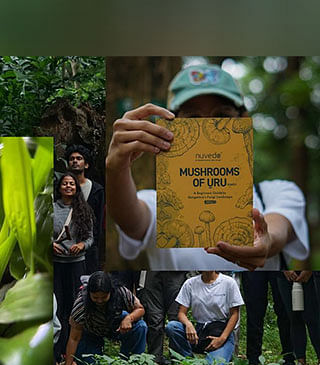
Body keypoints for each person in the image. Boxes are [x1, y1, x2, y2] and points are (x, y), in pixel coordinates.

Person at [107, 63, 309, 270]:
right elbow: (130, 219)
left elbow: (278, 228)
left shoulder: (278, 192)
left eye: (222, 116)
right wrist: (117, 167)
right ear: (171, 126)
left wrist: (267, 240)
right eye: (193, 118)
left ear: (244, 120)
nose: (209, 128)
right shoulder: (160, 204)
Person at [64, 271, 147, 365]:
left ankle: (132, 364)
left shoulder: (121, 292)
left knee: (140, 326)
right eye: (95, 297)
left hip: (116, 324)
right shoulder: (81, 304)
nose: (99, 301)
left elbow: (140, 309)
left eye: (103, 297)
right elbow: (74, 338)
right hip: (91, 332)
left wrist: (129, 318)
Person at [53, 173, 93, 360]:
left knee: (74, 306)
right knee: (57, 305)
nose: (68, 186)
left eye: (72, 184)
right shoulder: (51, 209)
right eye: (65, 184)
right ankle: (57, 350)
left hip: (76, 264)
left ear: (76, 188)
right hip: (57, 264)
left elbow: (91, 238)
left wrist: (82, 245)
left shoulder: (83, 210)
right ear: (59, 187)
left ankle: (72, 352)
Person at [165, 271, 243, 365]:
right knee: (172, 326)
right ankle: (188, 360)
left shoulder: (228, 282)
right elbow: (181, 313)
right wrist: (188, 324)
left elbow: (235, 314)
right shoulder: (190, 283)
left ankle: (220, 353)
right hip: (199, 331)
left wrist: (221, 339)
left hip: (221, 331)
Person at [241, 272, 294, 365]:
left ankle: (289, 358)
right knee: (254, 311)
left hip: (279, 263)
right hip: (254, 264)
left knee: (284, 312)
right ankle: (253, 359)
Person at [64, 144, 104, 274]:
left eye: (79, 158)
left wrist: (94, 245)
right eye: (72, 159)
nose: (75, 161)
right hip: (65, 246)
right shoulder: (61, 189)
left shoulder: (97, 190)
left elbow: (99, 219)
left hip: (89, 247)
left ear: (86, 165)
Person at [276, 271, 320, 365]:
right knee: (294, 317)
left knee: (314, 318)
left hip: (312, 273)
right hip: (285, 275)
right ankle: (301, 364)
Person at [138, 271, 187, 364]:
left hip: (177, 268)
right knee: (154, 318)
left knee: (176, 318)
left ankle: (178, 357)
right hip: (151, 270)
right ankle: (155, 358)